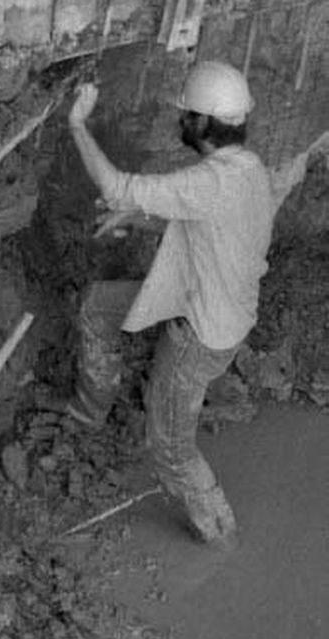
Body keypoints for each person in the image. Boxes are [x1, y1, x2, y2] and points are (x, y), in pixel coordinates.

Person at [63, 61, 276, 547]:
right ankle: (89, 412)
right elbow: (204, 225)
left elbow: (116, 185)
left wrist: (77, 124)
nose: (180, 122)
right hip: (210, 301)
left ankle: (222, 535)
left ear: (203, 123)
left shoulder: (210, 181)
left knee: (171, 450)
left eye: (186, 115)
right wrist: (137, 219)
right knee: (99, 307)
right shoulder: (248, 171)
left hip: (198, 338)